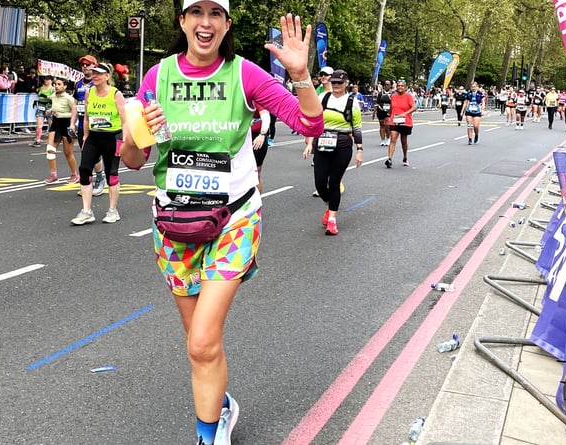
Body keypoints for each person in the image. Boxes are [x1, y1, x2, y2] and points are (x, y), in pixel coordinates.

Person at [119, 3, 323, 444]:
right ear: (182, 22)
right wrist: (133, 133)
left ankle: (208, 436)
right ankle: (222, 406)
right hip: (173, 224)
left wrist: (302, 75)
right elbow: (133, 160)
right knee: (199, 343)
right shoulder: (157, 78)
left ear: (227, 24)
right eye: (196, 12)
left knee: (201, 343)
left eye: (215, 13)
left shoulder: (245, 74)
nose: (205, 22)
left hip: (233, 219)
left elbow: (309, 123)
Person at [303, 69, 362, 236]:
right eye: (334, 82)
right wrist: (309, 143)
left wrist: (359, 150)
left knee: (334, 183)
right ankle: (329, 206)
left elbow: (356, 128)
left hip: (342, 144)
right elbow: (314, 121)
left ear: (346, 84)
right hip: (323, 142)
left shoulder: (353, 102)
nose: (336, 85)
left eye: (340, 83)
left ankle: (332, 220)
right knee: (320, 183)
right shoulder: (323, 98)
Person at [70, 63, 125, 225]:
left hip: (112, 137)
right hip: (94, 137)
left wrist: (126, 140)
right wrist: (86, 136)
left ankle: (113, 211)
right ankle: (87, 211)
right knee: (84, 169)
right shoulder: (89, 93)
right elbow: (87, 117)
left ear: (107, 76)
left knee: (111, 174)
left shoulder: (116, 94)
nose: (95, 76)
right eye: (93, 73)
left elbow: (125, 121)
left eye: (99, 74)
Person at [72, 55, 107, 197]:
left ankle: (100, 177)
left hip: (96, 125)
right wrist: (71, 123)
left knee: (93, 155)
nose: (85, 66)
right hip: (82, 125)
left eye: (88, 64)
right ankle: (89, 182)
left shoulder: (97, 84)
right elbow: (75, 104)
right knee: (85, 154)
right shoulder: (79, 84)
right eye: (83, 64)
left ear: (95, 65)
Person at [42, 78, 79, 184]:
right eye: (55, 84)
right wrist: (50, 111)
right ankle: (53, 175)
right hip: (56, 124)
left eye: (59, 84)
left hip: (67, 124)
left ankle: (74, 175)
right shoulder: (53, 96)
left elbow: (74, 112)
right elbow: (54, 108)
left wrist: (63, 116)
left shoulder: (69, 98)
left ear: (65, 86)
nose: (56, 86)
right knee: (50, 150)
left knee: (67, 152)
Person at [385, 78, 417, 168]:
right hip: (394, 121)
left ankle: (405, 157)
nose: (400, 87)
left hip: (405, 122)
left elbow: (414, 107)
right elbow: (392, 107)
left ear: (405, 87)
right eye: (398, 86)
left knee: (403, 141)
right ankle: (389, 159)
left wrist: (405, 113)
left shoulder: (408, 96)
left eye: (402, 86)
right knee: (393, 139)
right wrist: (388, 116)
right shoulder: (393, 96)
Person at [250, 101, 270, 193]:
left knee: (256, 173)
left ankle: (257, 203)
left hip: (257, 137)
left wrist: (262, 134)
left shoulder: (257, 98)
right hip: (241, 137)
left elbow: (266, 116)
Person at [30, 75, 54, 147]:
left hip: (49, 107)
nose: (45, 81)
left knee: (51, 124)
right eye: (45, 79)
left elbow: (54, 98)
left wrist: (46, 97)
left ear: (51, 80)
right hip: (40, 107)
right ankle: (37, 140)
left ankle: (53, 140)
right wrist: (36, 101)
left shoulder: (53, 89)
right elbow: (39, 95)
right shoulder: (41, 87)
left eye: (47, 79)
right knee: (39, 124)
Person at [373, 80, 393, 145]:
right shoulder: (380, 93)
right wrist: (374, 112)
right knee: (382, 125)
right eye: (385, 84)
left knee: (387, 125)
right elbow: (377, 103)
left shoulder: (393, 93)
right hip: (381, 110)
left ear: (390, 86)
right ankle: (382, 140)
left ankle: (388, 138)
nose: (386, 86)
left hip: (389, 111)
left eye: (388, 84)